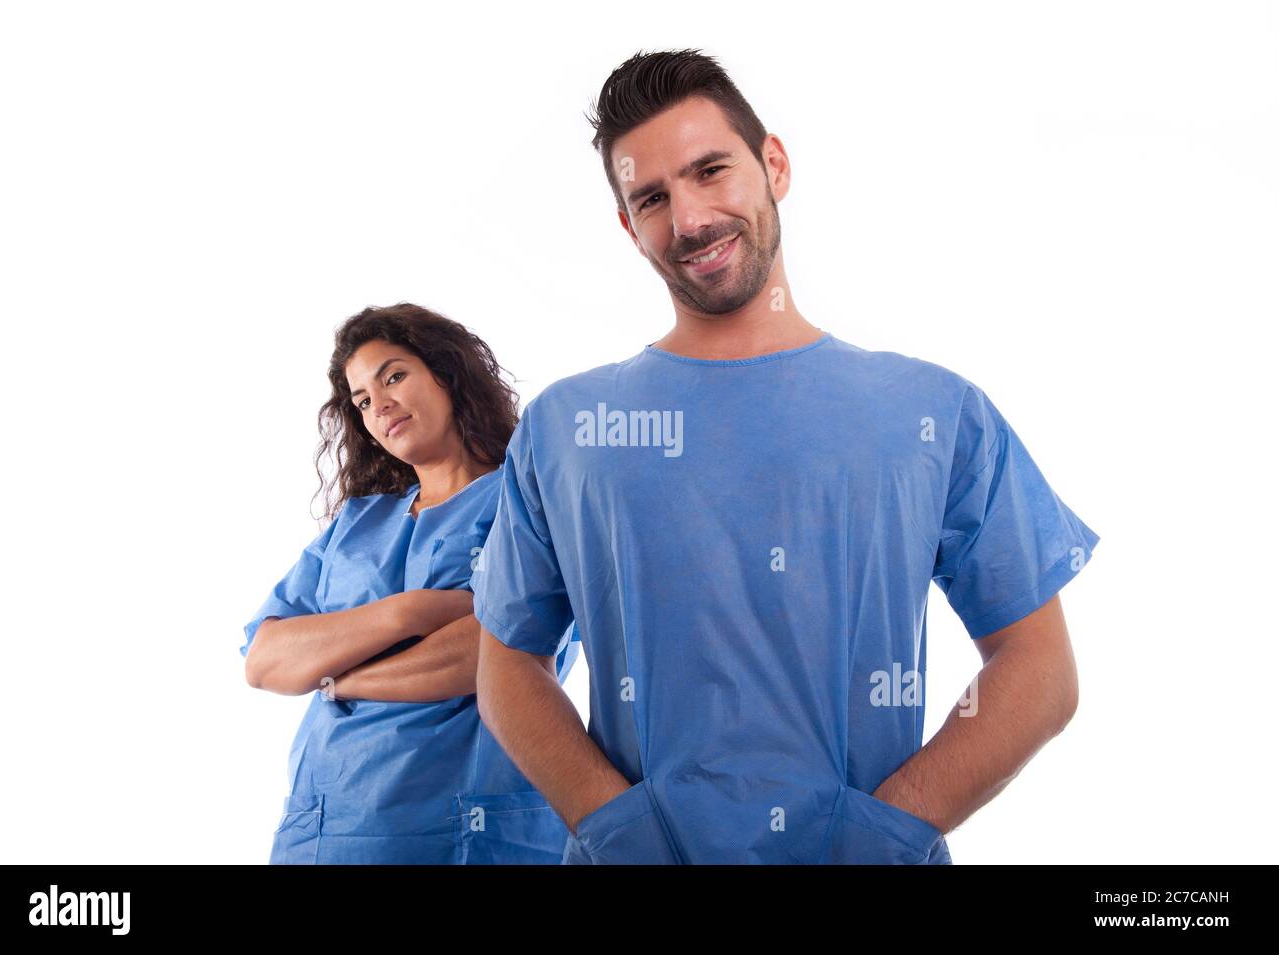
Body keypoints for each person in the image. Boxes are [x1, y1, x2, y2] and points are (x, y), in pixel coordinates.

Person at [471, 49, 1100, 864]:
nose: (690, 219)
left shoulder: (932, 413)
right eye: (653, 197)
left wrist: (879, 833)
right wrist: (619, 828)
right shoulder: (566, 429)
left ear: (773, 163)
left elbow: (1039, 667)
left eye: (710, 171)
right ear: (629, 227)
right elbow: (508, 664)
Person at [242, 303, 578, 864]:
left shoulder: (530, 500)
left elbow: (496, 650)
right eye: (363, 401)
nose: (381, 406)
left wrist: (336, 676)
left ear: (448, 374)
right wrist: (412, 613)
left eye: (394, 375)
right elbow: (265, 660)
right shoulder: (356, 523)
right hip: (323, 834)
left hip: (466, 835)